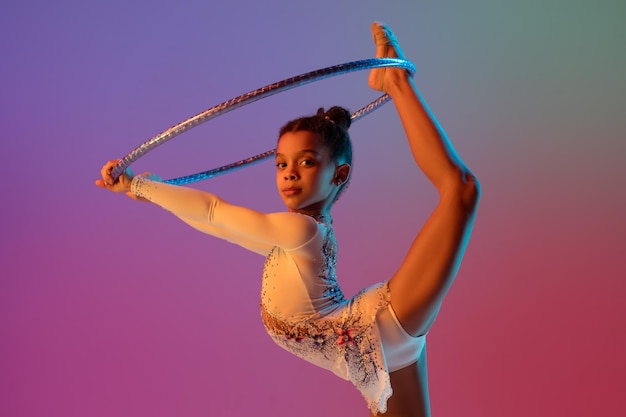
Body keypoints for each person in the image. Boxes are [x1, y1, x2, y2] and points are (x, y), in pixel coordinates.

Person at [96, 22, 480, 417]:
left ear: (339, 175)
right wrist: (141, 188)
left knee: (462, 190)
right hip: (367, 349)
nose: (290, 172)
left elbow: (214, 211)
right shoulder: (291, 240)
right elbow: (212, 223)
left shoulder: (300, 231)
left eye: (307, 162)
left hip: (378, 327)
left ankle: (396, 81)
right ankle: (392, 80)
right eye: (281, 163)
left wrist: (140, 187)